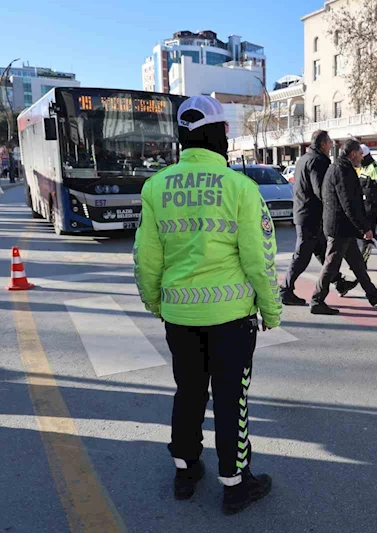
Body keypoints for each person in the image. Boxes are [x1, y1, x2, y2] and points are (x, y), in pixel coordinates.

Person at [134, 95, 278, 514]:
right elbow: (260, 259)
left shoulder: (156, 186)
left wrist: (154, 301)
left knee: (189, 390)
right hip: (231, 318)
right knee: (232, 397)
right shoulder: (240, 188)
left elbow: (146, 258)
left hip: (179, 316)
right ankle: (235, 484)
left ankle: (185, 470)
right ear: (222, 136)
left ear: (182, 137)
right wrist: (271, 309)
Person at [311, 139, 377, 315]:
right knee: (331, 265)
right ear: (353, 153)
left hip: (343, 226)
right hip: (339, 227)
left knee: (357, 264)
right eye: (361, 154)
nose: (362, 158)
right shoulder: (342, 170)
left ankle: (372, 293)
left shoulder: (338, 167)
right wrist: (364, 228)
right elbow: (349, 204)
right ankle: (317, 300)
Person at [280, 130, 357, 306]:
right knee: (302, 255)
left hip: (305, 212)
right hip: (311, 215)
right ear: (322, 144)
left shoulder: (304, 158)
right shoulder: (318, 161)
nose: (331, 146)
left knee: (322, 250)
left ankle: (339, 282)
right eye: (330, 143)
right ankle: (285, 290)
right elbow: (321, 189)